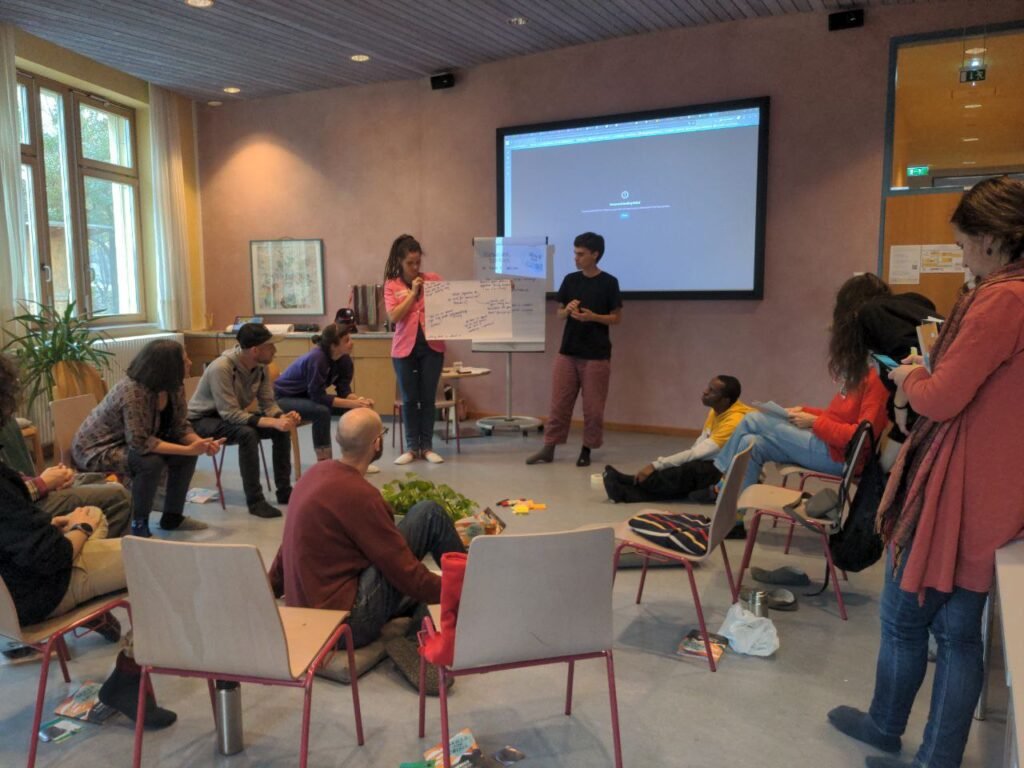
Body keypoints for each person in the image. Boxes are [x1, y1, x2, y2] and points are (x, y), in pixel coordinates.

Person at [828, 176, 1024, 768]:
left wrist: (907, 376)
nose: (963, 257)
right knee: (961, 634)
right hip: (994, 485)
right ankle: (933, 753)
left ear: (992, 239)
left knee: (907, 620)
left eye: (965, 244)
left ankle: (890, 727)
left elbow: (940, 399)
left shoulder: (1003, 298)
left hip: (958, 490)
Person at [0, 353, 176, 728]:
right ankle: (127, 680)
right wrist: (75, 531)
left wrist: (59, 523)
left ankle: (101, 592)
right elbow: (48, 555)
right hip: (38, 590)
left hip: (16, 579)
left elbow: (16, 530)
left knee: (96, 512)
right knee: (158, 566)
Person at [268, 408, 465, 687]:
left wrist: (267, 593)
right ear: (377, 444)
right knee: (429, 514)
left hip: (306, 609)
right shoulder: (362, 496)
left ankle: (430, 614)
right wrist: (453, 593)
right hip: (347, 623)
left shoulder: (313, 475)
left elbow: (285, 549)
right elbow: (403, 571)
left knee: (418, 530)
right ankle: (466, 596)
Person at [712, 298, 890, 525]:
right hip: (826, 445)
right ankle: (734, 520)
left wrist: (813, 423)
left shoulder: (874, 380)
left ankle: (720, 477)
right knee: (751, 442)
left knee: (752, 418)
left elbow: (862, 437)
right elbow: (837, 416)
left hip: (837, 456)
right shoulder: (861, 373)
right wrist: (804, 411)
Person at [72, 340, 222, 538]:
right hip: (97, 449)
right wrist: (188, 449)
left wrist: (198, 443)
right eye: (184, 360)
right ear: (168, 367)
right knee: (150, 463)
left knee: (184, 457)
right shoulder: (134, 391)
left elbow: (179, 425)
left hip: (131, 441)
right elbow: (140, 443)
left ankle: (172, 517)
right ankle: (139, 523)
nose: (189, 362)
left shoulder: (174, 386)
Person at [526, 232, 622, 467]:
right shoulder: (570, 280)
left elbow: (616, 318)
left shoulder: (609, 282)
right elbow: (559, 314)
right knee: (559, 404)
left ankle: (587, 449)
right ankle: (549, 448)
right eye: (574, 253)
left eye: (580, 254)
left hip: (596, 355)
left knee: (593, 409)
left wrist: (593, 317)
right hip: (567, 352)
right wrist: (567, 310)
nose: (575, 258)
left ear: (595, 254)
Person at [188, 323, 300, 519]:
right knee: (247, 434)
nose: (275, 350)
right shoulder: (221, 368)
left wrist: (281, 417)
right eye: (270, 346)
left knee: (280, 430)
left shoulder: (261, 367)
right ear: (255, 350)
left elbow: (268, 403)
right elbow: (229, 413)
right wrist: (271, 422)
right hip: (203, 419)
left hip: (231, 416)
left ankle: (284, 491)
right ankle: (255, 501)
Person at [602, 375, 751, 504]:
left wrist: (655, 465)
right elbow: (701, 442)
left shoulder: (734, 421)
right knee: (683, 471)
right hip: (720, 462)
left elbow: (697, 454)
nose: (705, 391)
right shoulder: (718, 409)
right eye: (708, 387)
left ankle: (630, 483)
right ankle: (625, 491)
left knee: (690, 470)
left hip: (734, 475)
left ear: (725, 400)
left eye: (712, 391)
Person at [832, 273, 942, 441]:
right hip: (940, 400)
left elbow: (913, 363)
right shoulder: (910, 310)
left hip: (931, 403)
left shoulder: (870, 313)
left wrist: (899, 405)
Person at [0, 415, 132, 537]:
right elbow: (8, 497)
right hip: (27, 500)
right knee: (119, 495)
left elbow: (11, 481)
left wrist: (53, 478)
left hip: (28, 490)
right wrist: (42, 483)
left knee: (95, 479)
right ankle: (90, 553)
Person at [273, 323, 375, 464]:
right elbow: (318, 396)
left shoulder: (344, 359)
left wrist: (359, 402)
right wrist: (353, 403)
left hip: (307, 396)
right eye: (346, 341)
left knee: (360, 409)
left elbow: (344, 390)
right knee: (321, 412)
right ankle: (324, 462)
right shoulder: (317, 358)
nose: (352, 343)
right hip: (284, 398)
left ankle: (357, 459)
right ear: (333, 346)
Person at [384, 234, 446, 465]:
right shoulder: (392, 285)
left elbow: (458, 300)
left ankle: (427, 447)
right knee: (409, 399)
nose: (415, 267)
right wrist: (412, 294)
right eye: (410, 263)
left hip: (432, 348)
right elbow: (394, 317)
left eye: (418, 262)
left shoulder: (434, 280)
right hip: (404, 350)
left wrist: (496, 290)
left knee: (428, 398)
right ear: (400, 262)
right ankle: (412, 447)